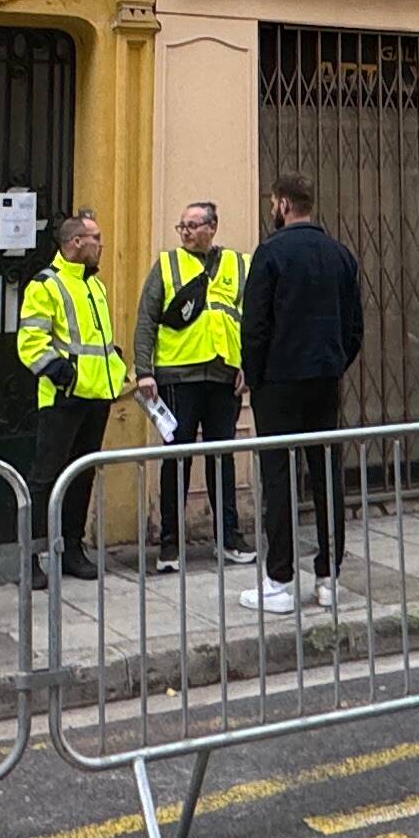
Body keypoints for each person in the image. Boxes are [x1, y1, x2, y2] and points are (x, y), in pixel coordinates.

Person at [236, 172, 365, 615]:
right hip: (324, 380)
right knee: (327, 475)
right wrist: (333, 362)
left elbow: (254, 325)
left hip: (277, 382)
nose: (273, 209)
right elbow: (354, 329)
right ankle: (328, 578)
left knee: (278, 477)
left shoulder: (270, 254)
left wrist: (254, 376)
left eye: (273, 203)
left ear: (283, 204)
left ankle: (279, 580)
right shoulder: (340, 256)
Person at [13, 211, 129, 589]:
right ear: (76, 242)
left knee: (81, 475)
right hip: (63, 398)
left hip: (98, 395)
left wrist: (116, 362)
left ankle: (71, 548)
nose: (101, 244)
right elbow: (31, 343)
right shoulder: (46, 285)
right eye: (95, 237)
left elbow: (96, 342)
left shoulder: (96, 286)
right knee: (45, 477)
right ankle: (28, 556)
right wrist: (66, 375)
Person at [138, 199, 255, 573]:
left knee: (222, 457)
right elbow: (147, 319)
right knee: (177, 458)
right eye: (182, 226)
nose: (186, 232)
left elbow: (254, 319)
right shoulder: (168, 264)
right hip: (177, 376)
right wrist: (144, 371)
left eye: (193, 225)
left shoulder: (239, 265)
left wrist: (248, 366)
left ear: (212, 227)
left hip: (223, 377)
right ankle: (171, 543)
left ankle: (228, 536)